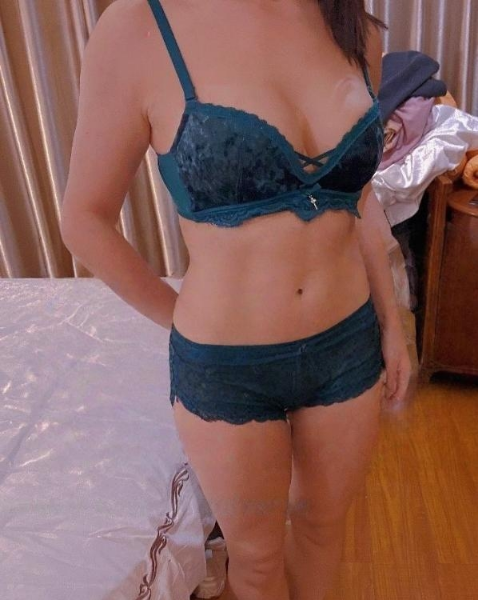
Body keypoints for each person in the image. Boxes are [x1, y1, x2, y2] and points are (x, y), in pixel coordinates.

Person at [60, 1, 412, 599]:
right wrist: (180, 319)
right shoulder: (139, 27)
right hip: (228, 370)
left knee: (323, 532)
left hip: (346, 346)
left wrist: (391, 323)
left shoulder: (350, 24)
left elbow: (358, 196)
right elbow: (83, 220)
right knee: (255, 561)